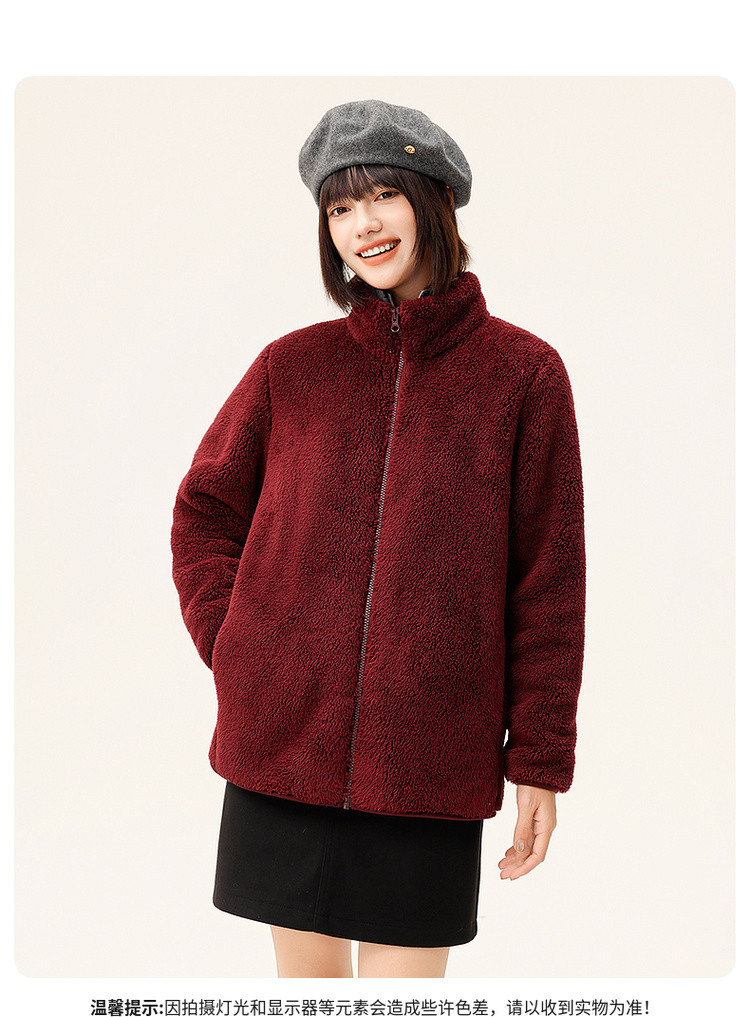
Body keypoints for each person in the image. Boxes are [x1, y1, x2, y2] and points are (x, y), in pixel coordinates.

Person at [170, 99, 586, 979]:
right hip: (281, 753)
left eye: (383, 195)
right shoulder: (292, 367)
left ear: (433, 200)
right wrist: (237, 642)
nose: (362, 225)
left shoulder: (524, 376)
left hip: (428, 768)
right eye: (339, 207)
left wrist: (541, 759)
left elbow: (549, 582)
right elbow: (204, 509)